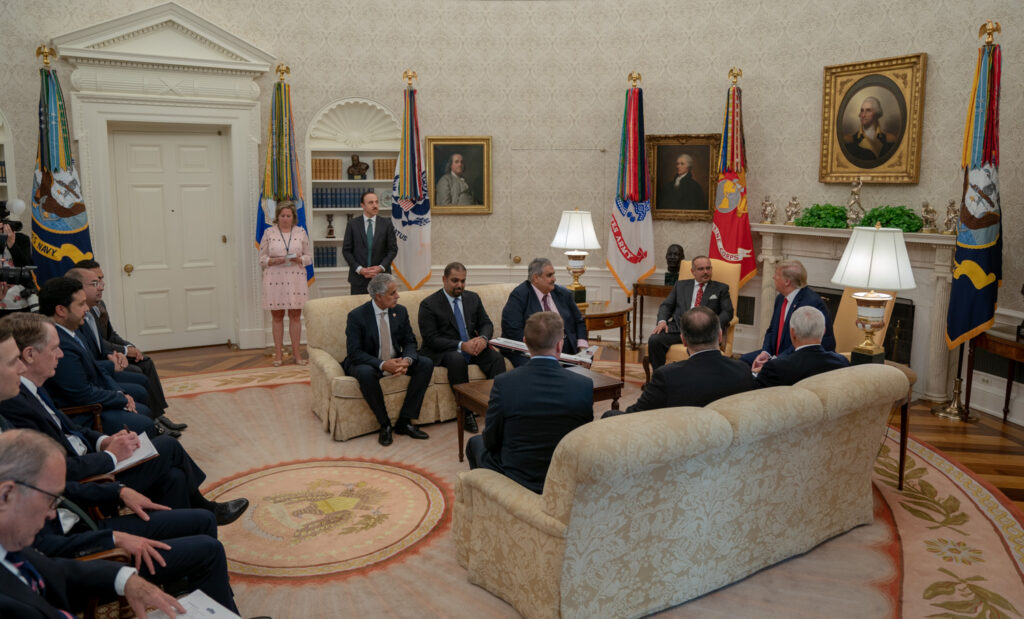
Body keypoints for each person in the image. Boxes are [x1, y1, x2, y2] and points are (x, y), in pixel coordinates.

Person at [0, 313, 249, 525]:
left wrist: (105, 441)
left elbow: (70, 428)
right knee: (168, 445)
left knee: (174, 477)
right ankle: (205, 510)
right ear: (30, 354)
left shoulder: (32, 388)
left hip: (91, 456)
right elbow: (56, 470)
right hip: (91, 477)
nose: (61, 354)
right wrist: (110, 456)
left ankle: (185, 526)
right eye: (55, 348)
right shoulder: (15, 400)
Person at [0, 429, 187, 618]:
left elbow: (53, 569)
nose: (52, 513)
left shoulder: (11, 544)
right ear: (6, 495)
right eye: (50, 499)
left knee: (176, 478)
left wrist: (124, 579)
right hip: (80, 539)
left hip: (84, 530)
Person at [465, 312, 592, 494]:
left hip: (517, 478)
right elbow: (583, 441)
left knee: (475, 443)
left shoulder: (504, 383)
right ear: (559, 344)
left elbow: (491, 441)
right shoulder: (584, 385)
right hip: (565, 477)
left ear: (525, 342)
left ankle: (488, 503)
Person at [63, 267, 183, 437]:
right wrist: (119, 388)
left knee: (145, 363)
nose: (102, 286)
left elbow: (109, 337)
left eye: (101, 280)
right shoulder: (74, 322)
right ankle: (152, 423)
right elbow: (87, 373)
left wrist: (127, 349)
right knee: (139, 378)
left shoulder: (96, 308)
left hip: (104, 364)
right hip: (99, 374)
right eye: (95, 282)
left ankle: (157, 417)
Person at [38, 277, 156, 438]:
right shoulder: (58, 342)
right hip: (84, 414)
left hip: (95, 397)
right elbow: (82, 394)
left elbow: (96, 369)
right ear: (61, 310)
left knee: (143, 409)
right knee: (145, 422)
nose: (87, 309)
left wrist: (120, 393)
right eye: (81, 304)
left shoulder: (72, 331)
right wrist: (120, 398)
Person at [606, 307, 755, 416]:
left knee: (610, 415)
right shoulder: (743, 369)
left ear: (683, 340)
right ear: (720, 336)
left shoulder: (666, 376)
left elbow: (633, 416)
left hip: (678, 445)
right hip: (727, 445)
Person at [342, 273, 432, 446]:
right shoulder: (357, 316)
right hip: (370, 362)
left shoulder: (400, 311)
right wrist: (383, 365)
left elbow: (410, 341)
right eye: (393, 293)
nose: (398, 296)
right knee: (365, 373)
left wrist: (406, 360)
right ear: (378, 296)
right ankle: (385, 424)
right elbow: (354, 352)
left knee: (425, 364)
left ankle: (404, 421)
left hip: (396, 359)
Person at [418, 262, 506, 434]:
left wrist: (483, 339)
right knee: (456, 358)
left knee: (496, 358)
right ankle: (466, 412)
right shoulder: (429, 304)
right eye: (455, 280)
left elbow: (486, 323)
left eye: (463, 281)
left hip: (472, 347)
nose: (460, 285)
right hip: (444, 351)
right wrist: (461, 345)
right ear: (444, 279)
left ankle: (498, 408)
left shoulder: (473, 298)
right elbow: (431, 339)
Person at [740, 260, 836, 366]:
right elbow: (771, 330)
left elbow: (803, 343)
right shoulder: (780, 298)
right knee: (744, 361)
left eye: (776, 275)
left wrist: (775, 362)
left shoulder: (811, 303)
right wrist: (766, 352)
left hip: (801, 359)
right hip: (778, 355)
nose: (773, 277)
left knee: (764, 370)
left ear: (787, 282)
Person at [648, 255, 734, 370]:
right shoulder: (680, 285)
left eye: (708, 268)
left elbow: (728, 312)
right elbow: (666, 305)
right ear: (692, 271)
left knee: (701, 352)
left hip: (704, 332)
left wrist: (713, 325)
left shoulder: (721, 288)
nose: (706, 272)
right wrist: (662, 321)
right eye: (701, 269)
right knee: (655, 340)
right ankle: (659, 376)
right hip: (679, 329)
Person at [500, 257, 587, 368]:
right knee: (543, 370)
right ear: (536, 278)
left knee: (585, 363)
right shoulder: (519, 295)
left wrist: (582, 348)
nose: (554, 279)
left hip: (566, 349)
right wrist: (543, 350)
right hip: (531, 351)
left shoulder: (563, 293)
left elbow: (579, 321)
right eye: (549, 275)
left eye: (553, 274)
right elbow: (512, 329)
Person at [258, 201, 312, 366]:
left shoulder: (301, 232)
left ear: (293, 217)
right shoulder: (268, 232)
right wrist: (273, 261)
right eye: (282, 215)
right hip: (275, 278)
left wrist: (300, 259)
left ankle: (297, 354)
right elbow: (262, 259)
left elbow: (309, 257)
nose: (285, 218)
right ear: (278, 216)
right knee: (277, 316)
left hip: (295, 279)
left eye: (288, 216)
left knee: (295, 316)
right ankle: (278, 355)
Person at [753, 307, 849, 387]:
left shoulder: (775, 368)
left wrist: (756, 373)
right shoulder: (841, 362)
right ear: (823, 331)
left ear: (792, 332)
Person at [342, 191, 398, 295]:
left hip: (382, 278)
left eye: (376, 202)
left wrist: (380, 267)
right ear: (362, 205)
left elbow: (393, 250)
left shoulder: (387, 223)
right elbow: (346, 251)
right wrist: (360, 269)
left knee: (382, 305)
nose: (375, 205)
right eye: (371, 203)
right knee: (359, 306)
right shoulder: (352, 224)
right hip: (358, 279)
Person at [843, 96, 896, 162]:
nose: (863, 115)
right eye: (862, 111)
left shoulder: (889, 140)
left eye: (868, 110)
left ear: (876, 114)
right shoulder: (849, 141)